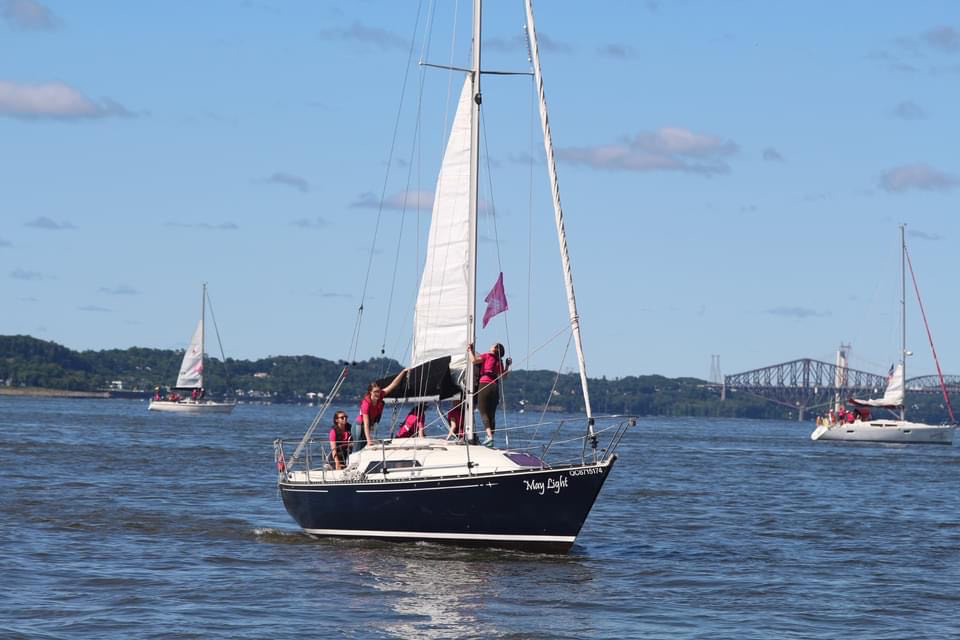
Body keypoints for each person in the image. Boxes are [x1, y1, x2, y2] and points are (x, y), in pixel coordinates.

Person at [353, 368, 409, 451]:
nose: (378, 394)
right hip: (359, 425)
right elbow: (366, 423)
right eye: (375, 391)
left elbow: (393, 385)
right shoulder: (366, 404)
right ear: (370, 392)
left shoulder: (380, 396)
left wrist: (403, 372)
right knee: (358, 447)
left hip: (367, 426)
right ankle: (351, 462)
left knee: (363, 447)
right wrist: (369, 440)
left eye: (378, 391)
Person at [468, 343, 511, 446]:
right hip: (495, 387)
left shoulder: (487, 355)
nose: (490, 345)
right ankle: (490, 438)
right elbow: (504, 377)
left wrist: (470, 350)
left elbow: (473, 361)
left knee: (483, 411)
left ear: (495, 349)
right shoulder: (499, 361)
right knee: (492, 414)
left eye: (493, 345)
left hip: (485, 385)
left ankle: (489, 437)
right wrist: (507, 365)